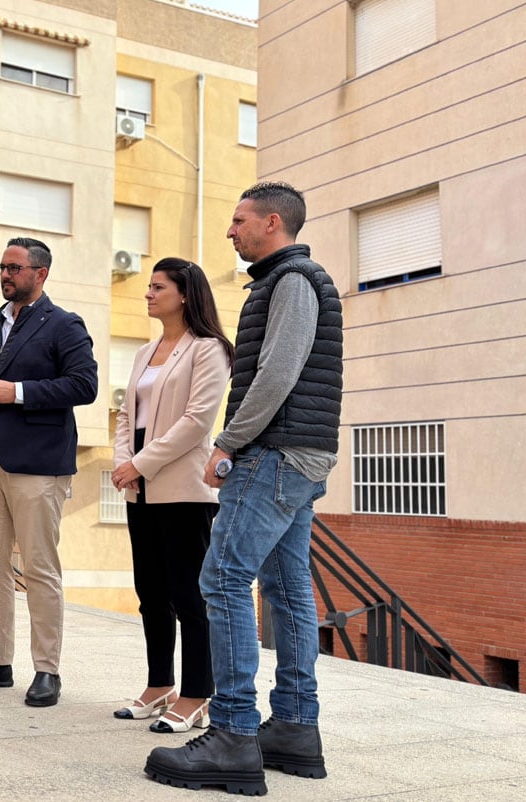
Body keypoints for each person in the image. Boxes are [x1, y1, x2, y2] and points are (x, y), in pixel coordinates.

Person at [145, 182, 342, 795]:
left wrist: (229, 442)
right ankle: (292, 729)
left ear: (272, 223)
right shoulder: (284, 281)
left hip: (275, 453)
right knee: (286, 589)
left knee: (222, 578)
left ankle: (232, 734)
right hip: (297, 455)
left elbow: (279, 371)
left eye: (239, 221)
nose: (231, 231)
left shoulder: (293, 281)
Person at [0, 236, 98, 708]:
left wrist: (20, 392)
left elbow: (85, 384)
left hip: (38, 464)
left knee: (38, 567)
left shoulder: (65, 325)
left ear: (40, 274)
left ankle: (47, 669)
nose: (6, 275)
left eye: (14, 267)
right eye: (2, 267)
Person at [111, 258, 232, 734]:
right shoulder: (144, 351)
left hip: (183, 488)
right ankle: (159, 685)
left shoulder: (209, 350)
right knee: (151, 593)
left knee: (189, 595)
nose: (148, 293)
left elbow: (198, 422)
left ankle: (198, 694)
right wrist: (127, 464)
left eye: (157, 287)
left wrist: (139, 463)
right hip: (139, 487)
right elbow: (126, 415)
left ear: (184, 294)